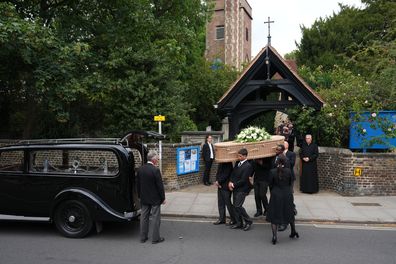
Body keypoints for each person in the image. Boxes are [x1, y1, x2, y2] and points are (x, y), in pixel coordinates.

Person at [266, 154, 299, 245]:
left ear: (277, 162)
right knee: (289, 212)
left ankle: (274, 236)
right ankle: (293, 231)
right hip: (287, 194)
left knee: (274, 215)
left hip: (276, 195)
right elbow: (290, 183)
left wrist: (274, 191)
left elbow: (270, 184)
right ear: (285, 162)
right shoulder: (288, 171)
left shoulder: (272, 171)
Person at [137, 150, 166, 244]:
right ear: (153, 159)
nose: (158, 159)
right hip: (155, 199)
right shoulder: (155, 170)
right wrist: (163, 198)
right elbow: (160, 186)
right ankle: (155, 239)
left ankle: (143, 237)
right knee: (155, 218)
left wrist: (139, 196)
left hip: (144, 198)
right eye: (157, 158)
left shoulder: (140, 169)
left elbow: (138, 185)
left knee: (144, 217)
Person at [228, 148, 254, 231]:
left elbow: (243, 180)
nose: (238, 157)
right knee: (235, 206)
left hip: (242, 189)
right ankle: (239, 223)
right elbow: (233, 173)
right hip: (235, 188)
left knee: (238, 206)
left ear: (245, 156)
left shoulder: (248, 166)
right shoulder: (237, 163)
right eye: (238, 156)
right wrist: (230, 182)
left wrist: (233, 184)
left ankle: (248, 221)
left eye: (240, 156)